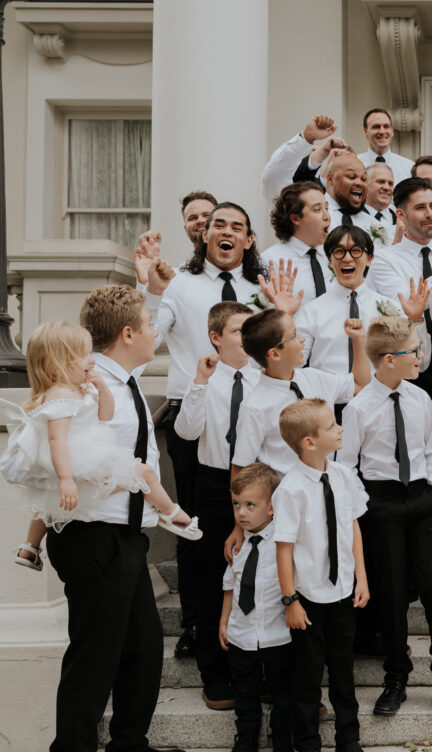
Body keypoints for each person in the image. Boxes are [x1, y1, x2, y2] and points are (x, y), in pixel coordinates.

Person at [36, 286, 181, 752]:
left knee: (142, 646)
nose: (157, 331)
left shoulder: (124, 380)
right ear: (128, 332)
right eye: (150, 323)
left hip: (125, 537)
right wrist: (122, 480)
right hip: (92, 537)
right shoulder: (86, 386)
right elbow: (61, 455)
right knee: (94, 656)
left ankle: (128, 744)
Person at [135, 201, 264, 660]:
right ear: (204, 235)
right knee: (195, 530)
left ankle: (251, 626)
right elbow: (150, 333)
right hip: (195, 416)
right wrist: (149, 290)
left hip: (254, 423)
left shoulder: (261, 288)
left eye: (238, 227)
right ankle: (195, 622)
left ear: (249, 240)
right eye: (218, 225)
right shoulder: (182, 285)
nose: (227, 232)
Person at [5, 320, 200, 568]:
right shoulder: (59, 396)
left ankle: (29, 547)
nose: (92, 360)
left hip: (86, 454)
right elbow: (56, 439)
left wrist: (102, 391)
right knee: (143, 473)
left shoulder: (77, 389)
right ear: (56, 366)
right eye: (83, 355)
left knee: (48, 502)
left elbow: (105, 416)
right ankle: (170, 512)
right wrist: (66, 479)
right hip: (79, 460)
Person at [340, 317, 432, 716]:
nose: (420, 357)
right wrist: (367, 505)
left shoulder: (419, 398)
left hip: (421, 497)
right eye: (414, 351)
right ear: (388, 360)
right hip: (382, 503)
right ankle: (396, 676)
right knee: (390, 593)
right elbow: (346, 465)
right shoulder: (358, 408)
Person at [173, 301, 261, 710]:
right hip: (213, 486)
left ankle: (260, 671)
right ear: (216, 338)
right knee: (213, 581)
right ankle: (215, 674)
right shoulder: (206, 381)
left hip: (260, 486)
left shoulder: (265, 377)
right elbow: (187, 431)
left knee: (260, 580)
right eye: (239, 331)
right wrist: (199, 382)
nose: (247, 338)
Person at [274, 398, 369, 752]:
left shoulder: (343, 476)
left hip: (344, 592)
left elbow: (353, 528)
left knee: (344, 671)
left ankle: (349, 738)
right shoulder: (291, 489)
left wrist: (362, 578)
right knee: (308, 677)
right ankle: (308, 742)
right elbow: (283, 548)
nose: (340, 428)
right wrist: (290, 601)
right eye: (332, 426)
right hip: (309, 598)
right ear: (309, 442)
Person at [296, 225, 431, 421]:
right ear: (329, 260)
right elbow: (294, 366)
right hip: (329, 411)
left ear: (369, 259)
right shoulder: (311, 311)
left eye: (356, 250)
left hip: (382, 409)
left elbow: (422, 363)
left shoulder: (389, 307)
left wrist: (416, 320)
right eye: (339, 251)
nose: (347, 258)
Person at [229, 308, 369, 480]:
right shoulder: (254, 407)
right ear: (274, 353)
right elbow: (240, 469)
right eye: (294, 335)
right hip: (285, 496)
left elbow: (359, 384)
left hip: (328, 487)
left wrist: (359, 341)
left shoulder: (315, 377)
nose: (302, 339)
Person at [367, 177, 432, 397]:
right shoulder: (385, 260)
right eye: (420, 208)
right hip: (412, 371)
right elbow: (408, 305)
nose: (430, 214)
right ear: (401, 215)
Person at [218, 462, 292, 752]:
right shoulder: (239, 546)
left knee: (283, 691)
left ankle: (283, 737)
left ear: (271, 507)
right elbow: (230, 587)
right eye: (237, 505)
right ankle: (247, 736)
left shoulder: (283, 544)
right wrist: (224, 623)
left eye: (250, 505)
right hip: (241, 633)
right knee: (244, 691)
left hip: (278, 634)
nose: (242, 513)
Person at [262, 182, 332, 303]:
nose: (327, 216)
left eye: (326, 208)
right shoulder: (271, 260)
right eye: (317, 210)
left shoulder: (332, 256)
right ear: (295, 218)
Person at [357, 108, 415, 184]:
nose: (382, 131)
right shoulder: (355, 163)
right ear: (365, 132)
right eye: (376, 127)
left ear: (392, 131)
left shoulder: (409, 167)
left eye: (386, 126)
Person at [323, 152, 374, 232]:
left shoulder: (372, 223)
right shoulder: (315, 215)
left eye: (363, 179)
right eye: (351, 176)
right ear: (330, 179)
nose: (359, 183)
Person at [366, 162, 396, 227]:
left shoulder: (402, 221)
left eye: (390, 184)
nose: (387, 187)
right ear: (366, 184)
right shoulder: (351, 218)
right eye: (381, 182)